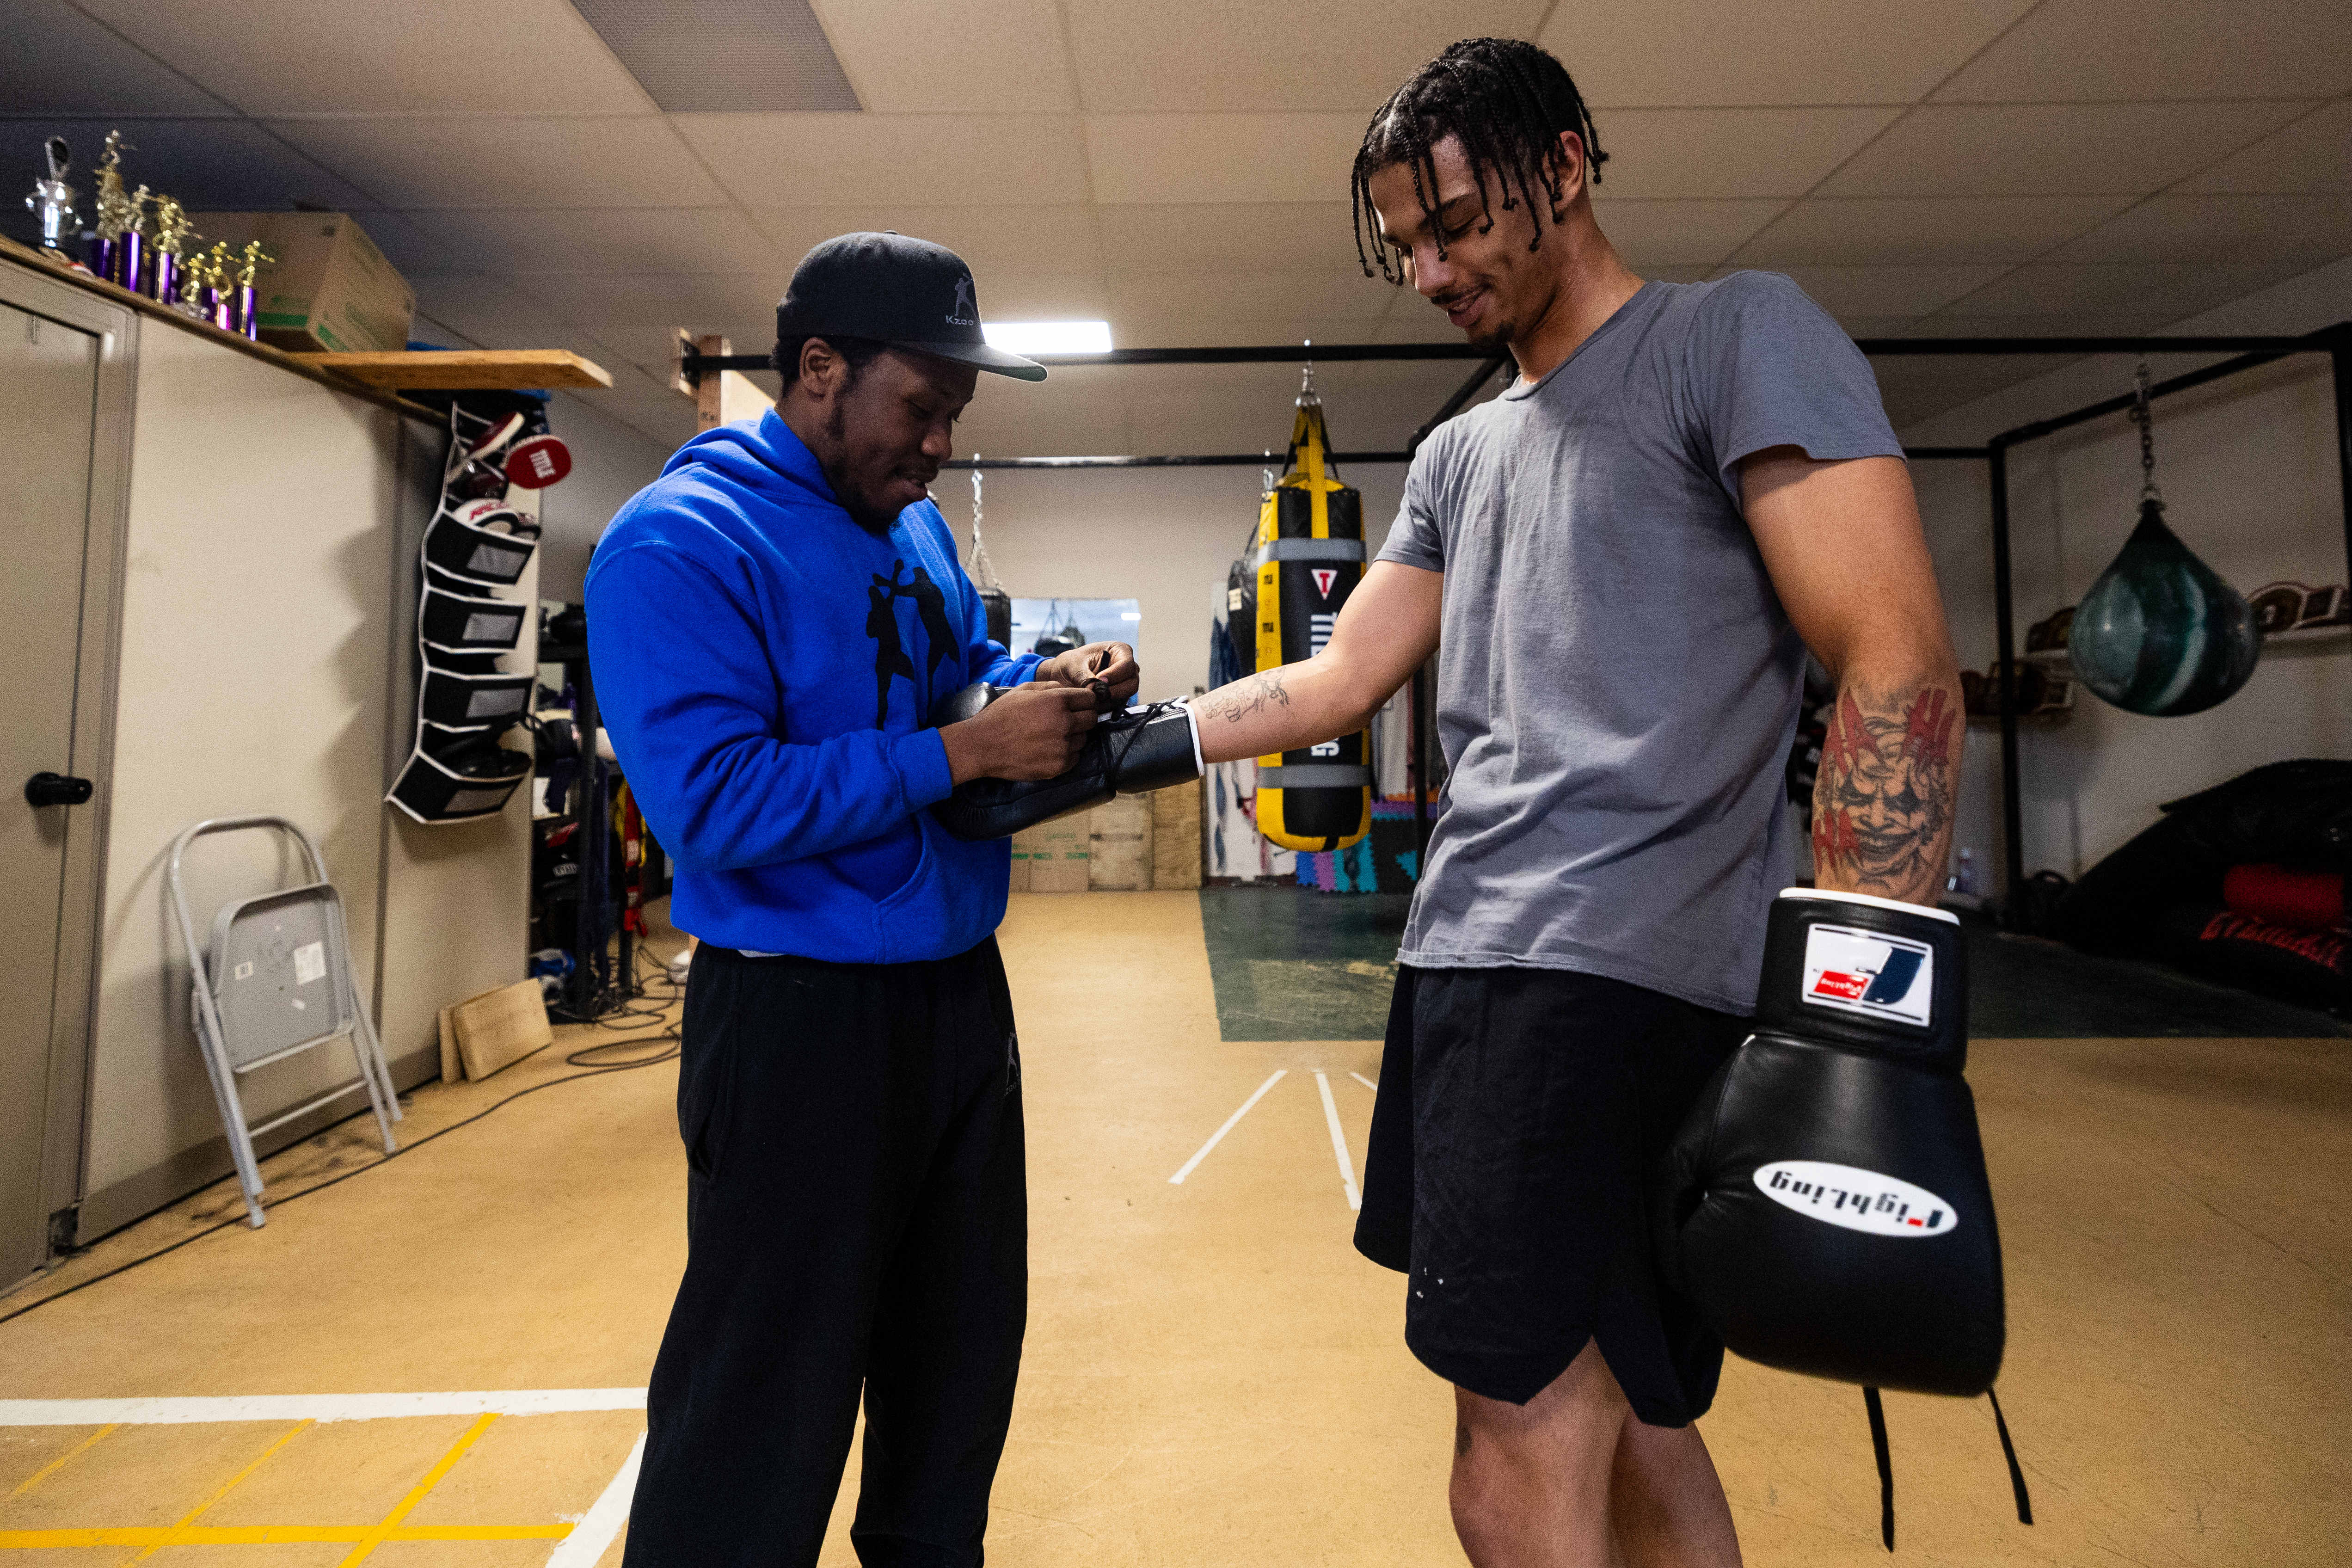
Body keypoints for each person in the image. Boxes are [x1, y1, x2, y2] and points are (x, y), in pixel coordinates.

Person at [1189, 37, 1962, 1568]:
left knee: (1514, 1440)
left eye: (1458, 223)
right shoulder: (1463, 450)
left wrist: (1858, 1027)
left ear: (1565, 168)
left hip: (1593, 981)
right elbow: (1340, 683)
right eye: (1405, 241)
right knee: (1634, 1421)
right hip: (1480, 966)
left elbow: (1895, 658)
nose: (1429, 269)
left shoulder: (1731, 338)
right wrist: (1113, 745)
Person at [584, 232, 1141, 1568]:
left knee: (953, 1397)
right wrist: (962, 754)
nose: (940, 442)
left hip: (955, 1005)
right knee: (757, 1422)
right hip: (794, 1021)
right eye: (921, 408)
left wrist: (1050, 672)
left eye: (955, 415)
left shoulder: (914, 527)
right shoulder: (680, 542)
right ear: (820, 371)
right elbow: (711, 802)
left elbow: (956, 664)